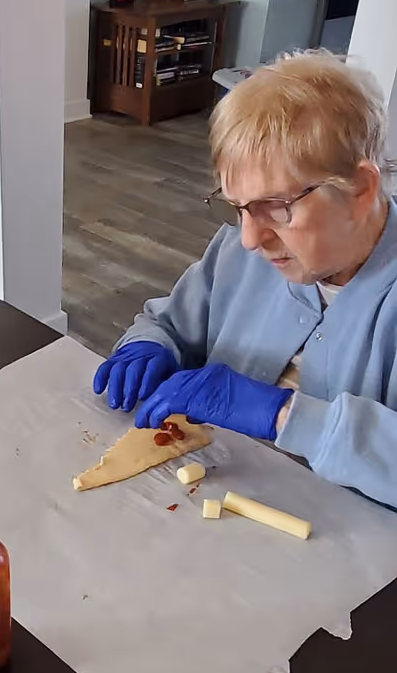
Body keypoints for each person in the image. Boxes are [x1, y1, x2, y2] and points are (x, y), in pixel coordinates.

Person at [93, 50, 397, 509]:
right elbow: (171, 323)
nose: (251, 238)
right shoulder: (240, 246)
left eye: (275, 207)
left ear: (360, 189)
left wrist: (282, 414)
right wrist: (148, 344)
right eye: (237, 207)